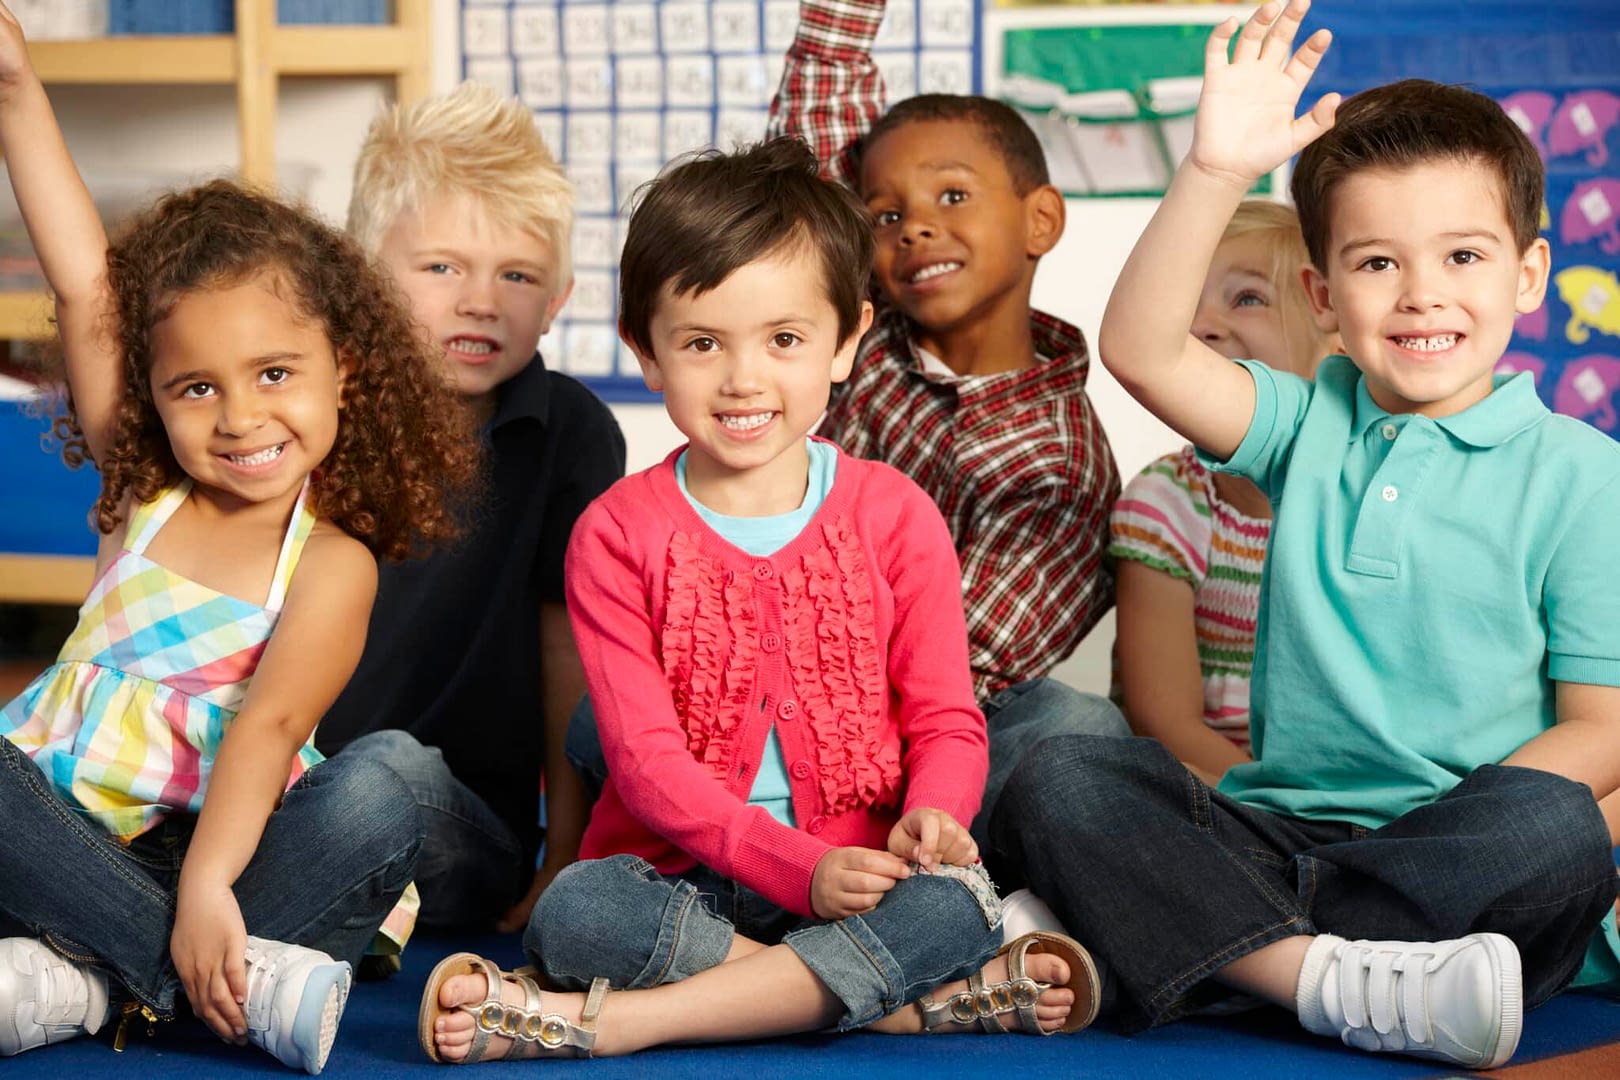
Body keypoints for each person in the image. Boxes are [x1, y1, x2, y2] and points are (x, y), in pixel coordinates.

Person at [991, 0, 1619, 1070]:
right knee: (1062, 776)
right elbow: (1141, 350)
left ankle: (1197, 942)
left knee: (1557, 831)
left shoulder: (1586, 475)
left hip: (1457, 843)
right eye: (1378, 265)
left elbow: (1600, 730)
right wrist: (1214, 171)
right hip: (1281, 827)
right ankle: (1319, 977)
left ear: (1526, 274)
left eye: (1463, 256)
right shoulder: (1303, 421)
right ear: (1324, 297)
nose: (1422, 294)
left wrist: (1441, 835)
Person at [417, 137, 1099, 1064]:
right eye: (702, 343)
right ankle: (904, 1006)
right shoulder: (616, 533)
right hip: (685, 882)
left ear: (847, 341)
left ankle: (621, 1023)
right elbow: (645, 766)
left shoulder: (895, 514)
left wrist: (937, 814)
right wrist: (796, 870)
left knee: (955, 904)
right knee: (578, 910)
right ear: (645, 350)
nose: (744, 379)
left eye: (785, 340)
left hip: (866, 877)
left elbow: (945, 717)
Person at [0, 5, 476, 1071]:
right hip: (73, 848)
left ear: (345, 369)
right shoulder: (143, 492)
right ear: (154, 396)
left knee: (390, 779)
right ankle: (159, 979)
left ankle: (88, 977)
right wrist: (16, 89)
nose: (241, 417)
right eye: (197, 388)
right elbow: (85, 286)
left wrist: (210, 885)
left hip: (237, 865)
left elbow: (269, 727)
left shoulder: (332, 561)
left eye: (273, 373)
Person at [763, 0, 1127, 849]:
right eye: (886, 216)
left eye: (953, 196)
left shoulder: (1064, 466)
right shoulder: (862, 340)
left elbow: (959, 668)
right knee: (606, 715)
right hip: (769, 680)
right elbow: (818, 128)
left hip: (928, 736)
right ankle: (779, 834)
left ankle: (885, 856)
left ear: (1041, 220)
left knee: (1077, 730)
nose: (915, 226)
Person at [315, 81, 625, 936]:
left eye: (517, 275)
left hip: (456, 825)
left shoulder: (571, 433)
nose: (481, 300)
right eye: (442, 267)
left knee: (382, 775)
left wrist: (563, 860)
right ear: (366, 278)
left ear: (556, 300)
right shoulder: (314, 408)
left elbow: (571, 657)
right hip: (280, 785)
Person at [1109, 200, 1335, 784]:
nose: (1200, 325)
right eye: (1187, 305)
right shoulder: (1167, 502)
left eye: (1247, 298)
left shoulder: (1369, 497)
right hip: (1215, 786)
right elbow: (1165, 722)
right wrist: (1285, 812)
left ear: (1335, 336)